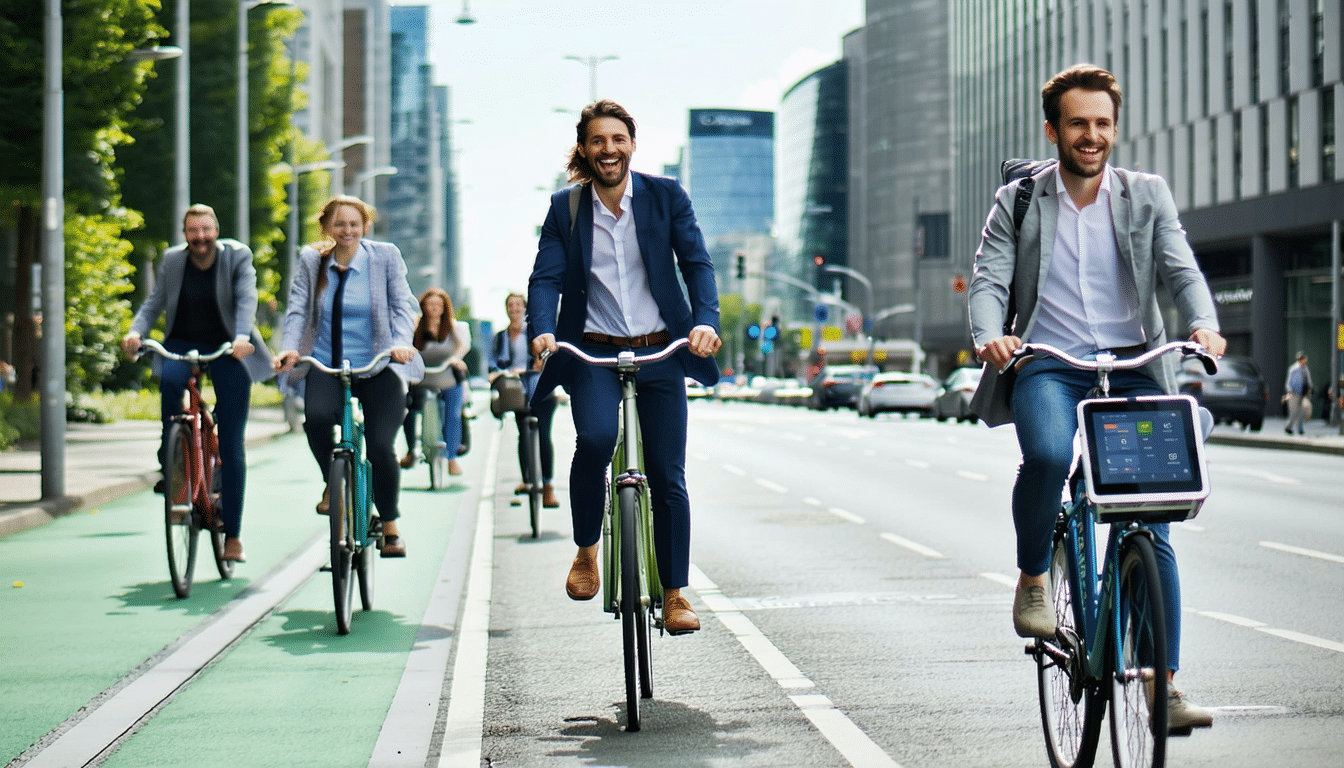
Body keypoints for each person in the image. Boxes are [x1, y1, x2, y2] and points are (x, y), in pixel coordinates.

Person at [968, 65, 1226, 731]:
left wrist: (1205, 324)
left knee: (1154, 521)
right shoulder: (1021, 200)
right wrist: (990, 334)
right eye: (1078, 123)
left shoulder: (1145, 195)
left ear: (1115, 128)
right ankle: (1032, 577)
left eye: (1103, 124)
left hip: (1135, 366)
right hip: (1051, 364)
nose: (1092, 136)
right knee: (1050, 455)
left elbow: (1180, 267)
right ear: (1054, 130)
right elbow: (990, 277)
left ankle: (1161, 687)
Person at [528, 99, 722, 635]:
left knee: (668, 476)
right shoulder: (565, 208)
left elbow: (697, 264)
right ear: (584, 149)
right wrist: (542, 329)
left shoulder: (665, 197)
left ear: (632, 144)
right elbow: (544, 278)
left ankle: (675, 594)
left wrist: (705, 322)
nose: (608, 150)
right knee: (593, 441)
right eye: (597, 141)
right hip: (592, 352)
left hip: (661, 349)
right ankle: (587, 552)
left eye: (617, 140)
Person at [122, 204, 274, 563]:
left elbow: (246, 300)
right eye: (193, 230)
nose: (200, 237)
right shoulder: (174, 261)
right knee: (170, 384)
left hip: (228, 346)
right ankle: (173, 457)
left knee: (233, 443)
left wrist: (241, 337)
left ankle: (233, 536)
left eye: (206, 230)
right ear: (185, 232)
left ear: (216, 230)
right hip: (182, 343)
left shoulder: (237, 257)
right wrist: (135, 332)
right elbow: (154, 303)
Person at [274, 196, 423, 558]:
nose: (347, 231)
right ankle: (334, 483)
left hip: (377, 364)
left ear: (365, 227)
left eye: (355, 224)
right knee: (317, 420)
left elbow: (403, 305)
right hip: (326, 363)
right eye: (339, 224)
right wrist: (291, 348)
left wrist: (402, 343)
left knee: (381, 444)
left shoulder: (384, 257)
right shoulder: (313, 261)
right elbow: (297, 309)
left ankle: (389, 524)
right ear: (327, 227)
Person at [489, 292, 559, 509]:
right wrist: (496, 373)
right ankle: (527, 480)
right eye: (510, 305)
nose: (514, 309)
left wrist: (538, 364)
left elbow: (550, 353)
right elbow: (493, 364)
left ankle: (548, 487)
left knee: (544, 435)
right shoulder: (501, 337)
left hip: (542, 390)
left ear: (525, 309)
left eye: (518, 305)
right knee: (523, 434)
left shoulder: (536, 333)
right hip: (516, 391)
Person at [400, 287, 471, 474]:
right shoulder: (415, 325)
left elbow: (462, 347)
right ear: (423, 306)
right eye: (430, 304)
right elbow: (405, 344)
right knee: (406, 407)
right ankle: (411, 451)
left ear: (444, 307)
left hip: (445, 375)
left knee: (453, 413)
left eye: (438, 305)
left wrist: (456, 358)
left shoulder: (452, 327)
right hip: (420, 377)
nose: (434, 308)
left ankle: (452, 458)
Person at [1283, 351, 1313, 435]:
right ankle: (1288, 427)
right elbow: (1288, 382)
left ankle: (1300, 429)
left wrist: (1309, 390)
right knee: (1294, 412)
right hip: (1294, 394)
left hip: (1302, 394)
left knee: (1302, 411)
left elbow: (1309, 380)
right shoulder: (1293, 369)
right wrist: (1290, 391)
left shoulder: (1305, 369)